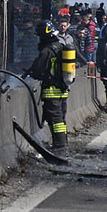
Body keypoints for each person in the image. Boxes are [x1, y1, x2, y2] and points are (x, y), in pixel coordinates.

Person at [28, 20, 70, 153]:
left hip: (52, 90)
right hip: (62, 89)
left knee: (55, 119)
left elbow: (38, 70)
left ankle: (60, 145)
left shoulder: (47, 51)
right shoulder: (59, 46)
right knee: (61, 119)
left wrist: (32, 74)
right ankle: (63, 142)